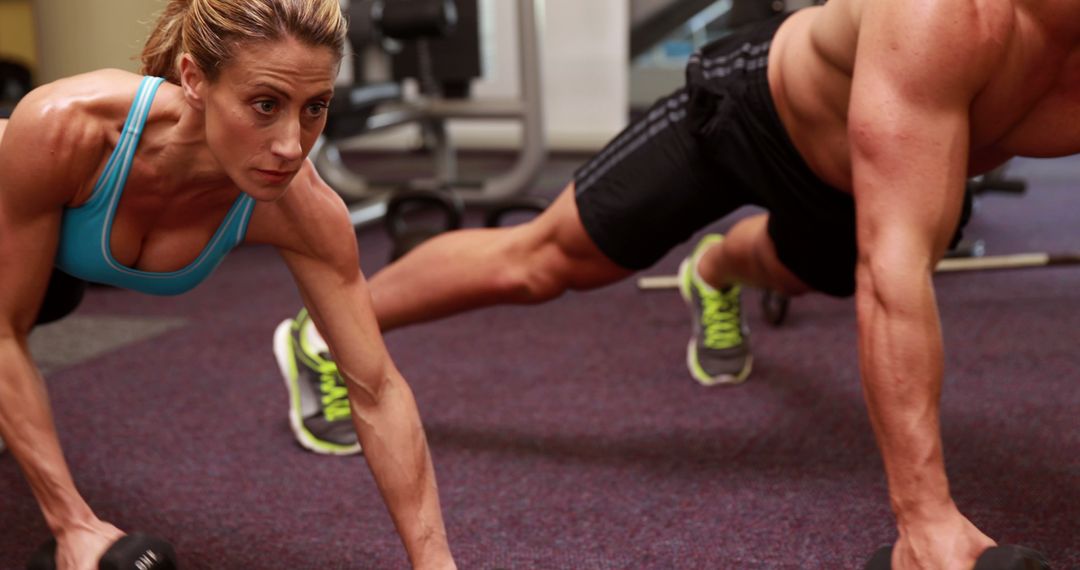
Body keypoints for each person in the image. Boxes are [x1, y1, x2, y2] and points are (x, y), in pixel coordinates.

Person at [280, 0, 1080, 568]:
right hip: (752, 112)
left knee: (812, 273)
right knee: (545, 262)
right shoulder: (945, 17)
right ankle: (323, 334)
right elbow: (892, 272)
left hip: (870, 175)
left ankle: (715, 269)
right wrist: (926, 517)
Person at [0, 1, 457, 568]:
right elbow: (4, 333)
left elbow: (376, 388)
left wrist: (435, 563)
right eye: (265, 104)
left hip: (50, 271)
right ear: (194, 80)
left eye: (314, 108)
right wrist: (72, 523)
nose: (291, 145)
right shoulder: (68, 128)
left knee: (45, 300)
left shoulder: (302, 208)